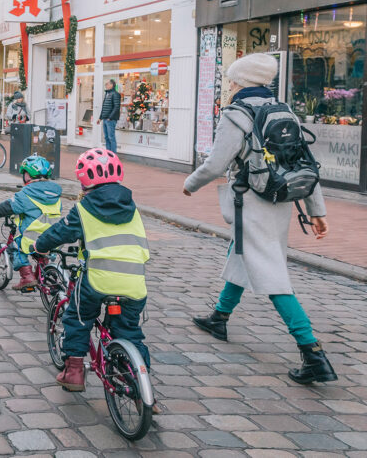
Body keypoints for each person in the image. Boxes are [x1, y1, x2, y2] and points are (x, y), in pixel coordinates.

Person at [184, 53, 336, 384]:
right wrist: (317, 211)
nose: (229, 86)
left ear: (240, 82)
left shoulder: (237, 114)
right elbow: (303, 163)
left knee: (271, 275)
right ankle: (219, 317)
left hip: (251, 202)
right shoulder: (285, 112)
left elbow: (215, 163)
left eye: (231, 81)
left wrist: (189, 184)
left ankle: (313, 353)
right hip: (280, 201)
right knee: (244, 255)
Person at [32, 148, 151, 395]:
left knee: (77, 316)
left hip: (98, 281)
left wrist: (38, 246)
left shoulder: (84, 208)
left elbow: (59, 233)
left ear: (84, 180)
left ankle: (74, 371)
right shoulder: (132, 208)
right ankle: (142, 386)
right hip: (134, 284)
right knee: (130, 332)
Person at [0, 155, 62, 290]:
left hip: (33, 236)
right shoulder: (55, 194)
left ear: (28, 175)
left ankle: (26, 277)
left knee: (15, 247)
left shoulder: (26, 194)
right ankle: (46, 269)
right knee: (42, 251)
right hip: (54, 236)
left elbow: (8, 206)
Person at [96, 79, 121, 154]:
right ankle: (108, 154)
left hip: (111, 120)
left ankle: (113, 155)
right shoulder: (107, 94)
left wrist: (110, 117)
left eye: (107, 84)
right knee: (106, 137)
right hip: (105, 119)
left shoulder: (116, 94)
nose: (105, 85)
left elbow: (116, 107)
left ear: (111, 85)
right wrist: (100, 118)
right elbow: (104, 107)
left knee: (111, 137)